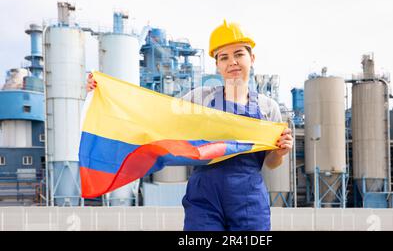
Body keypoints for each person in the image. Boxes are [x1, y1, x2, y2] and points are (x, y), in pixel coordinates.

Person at [86, 20, 293, 231]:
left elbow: (271, 162)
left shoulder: (269, 108)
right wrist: (106, 90)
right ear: (217, 65)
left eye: (239, 54)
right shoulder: (199, 99)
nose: (232, 62)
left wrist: (281, 152)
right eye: (224, 57)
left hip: (248, 198)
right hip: (205, 197)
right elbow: (155, 113)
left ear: (252, 58)